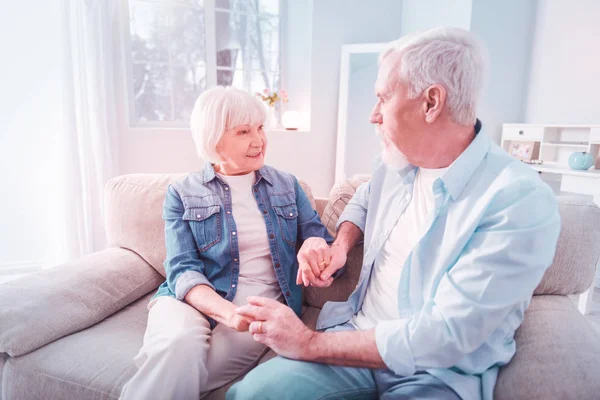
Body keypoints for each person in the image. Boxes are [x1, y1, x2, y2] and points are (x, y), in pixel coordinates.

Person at [227, 27, 561, 400]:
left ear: (431, 102)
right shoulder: (394, 166)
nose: (373, 115)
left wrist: (307, 342)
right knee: (251, 394)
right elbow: (363, 202)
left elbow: (448, 336)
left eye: (383, 98)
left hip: (436, 373)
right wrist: (341, 245)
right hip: (354, 337)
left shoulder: (517, 200)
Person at [119, 87, 333, 399]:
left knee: (182, 369)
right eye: (244, 131)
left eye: (260, 128)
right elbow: (182, 269)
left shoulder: (288, 186)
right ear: (215, 140)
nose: (258, 140)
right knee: (179, 345)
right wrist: (229, 314)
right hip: (191, 299)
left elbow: (319, 237)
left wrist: (316, 245)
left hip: (260, 307)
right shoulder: (182, 193)